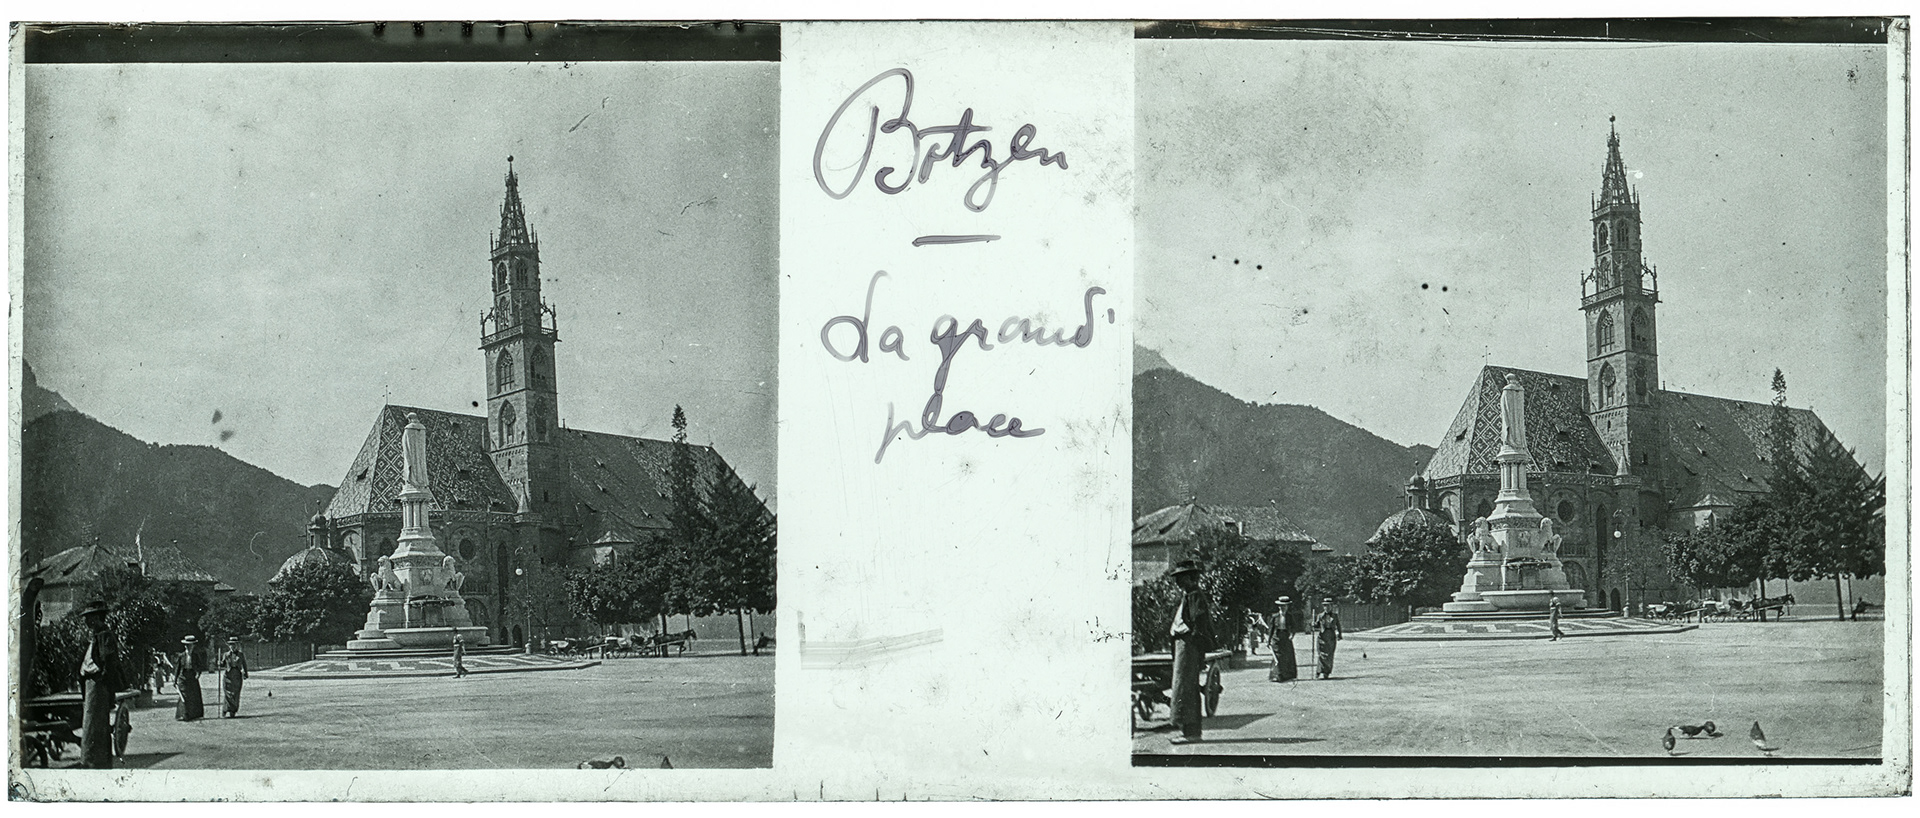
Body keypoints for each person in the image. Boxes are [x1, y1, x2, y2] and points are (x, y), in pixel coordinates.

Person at [1166, 559, 1213, 745]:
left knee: (1185, 688)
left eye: (1181, 578)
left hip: (1188, 646)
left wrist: (1193, 641)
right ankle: (1189, 731)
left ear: (1191, 578)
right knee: (1185, 688)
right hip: (1184, 645)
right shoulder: (1189, 595)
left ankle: (1191, 733)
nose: (1178, 582)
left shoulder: (1194, 595)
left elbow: (1199, 621)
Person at [76, 600, 122, 769]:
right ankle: (93, 760)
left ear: (98, 618)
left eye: (90, 618)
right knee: (91, 722)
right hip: (91, 684)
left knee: (94, 723)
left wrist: (103, 681)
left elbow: (109, 662)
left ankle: (93, 761)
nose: (87, 622)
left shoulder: (105, 636)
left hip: (98, 684)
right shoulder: (96, 636)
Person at [1268, 596, 1298, 683]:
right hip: (1277, 637)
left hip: (1286, 637)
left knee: (1287, 656)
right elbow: (1271, 629)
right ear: (1279, 607)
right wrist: (1269, 640)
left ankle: (1288, 675)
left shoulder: (1290, 616)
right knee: (1278, 657)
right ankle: (1278, 675)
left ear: (1287, 607)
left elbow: (1294, 627)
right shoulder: (1275, 617)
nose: (1283, 608)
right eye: (1281, 606)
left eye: (1285, 606)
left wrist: (1292, 634)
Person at [175, 635, 205, 721]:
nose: (189, 647)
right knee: (184, 696)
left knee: (193, 696)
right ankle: (184, 714)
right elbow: (178, 668)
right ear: (185, 646)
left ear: (193, 646)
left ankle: (193, 714)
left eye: (191, 646)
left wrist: (198, 674)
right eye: (188, 646)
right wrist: (175, 680)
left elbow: (200, 666)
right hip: (183, 677)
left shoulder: (195, 655)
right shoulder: (181, 656)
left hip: (192, 676)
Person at [1312, 597, 1342, 680]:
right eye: (1325, 606)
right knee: (1321, 655)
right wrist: (1313, 624)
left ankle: (1326, 672)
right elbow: (1317, 625)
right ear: (1323, 607)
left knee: (1329, 655)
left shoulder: (1335, 616)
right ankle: (1318, 671)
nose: (1327, 607)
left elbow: (1338, 626)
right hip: (1322, 637)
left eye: (1328, 606)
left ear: (1331, 606)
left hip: (1331, 637)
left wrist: (1339, 635)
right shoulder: (1320, 616)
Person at [219, 637, 249, 718]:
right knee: (227, 694)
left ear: (237, 645)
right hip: (228, 676)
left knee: (235, 694)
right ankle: (225, 710)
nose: (233, 646)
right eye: (231, 645)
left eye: (234, 644)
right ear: (229, 646)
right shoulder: (226, 655)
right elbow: (222, 664)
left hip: (237, 675)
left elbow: (244, 665)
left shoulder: (240, 655)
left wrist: (245, 674)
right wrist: (219, 663)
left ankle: (233, 711)